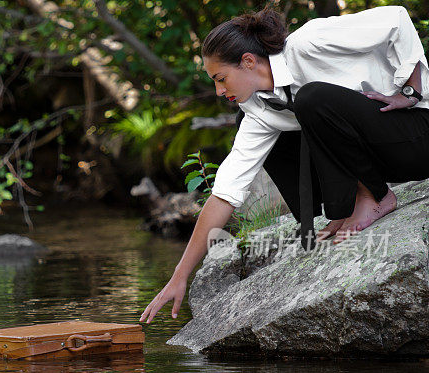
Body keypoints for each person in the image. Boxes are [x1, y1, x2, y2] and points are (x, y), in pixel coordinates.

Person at [141, 5, 429, 324]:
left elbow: (397, 19)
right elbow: (225, 192)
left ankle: (374, 197)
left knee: (311, 99)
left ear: (248, 62)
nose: (219, 91)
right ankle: (343, 206)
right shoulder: (259, 107)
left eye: (221, 79)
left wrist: (410, 90)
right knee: (276, 124)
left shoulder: (308, 43)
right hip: (386, 154)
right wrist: (179, 275)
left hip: (417, 133)